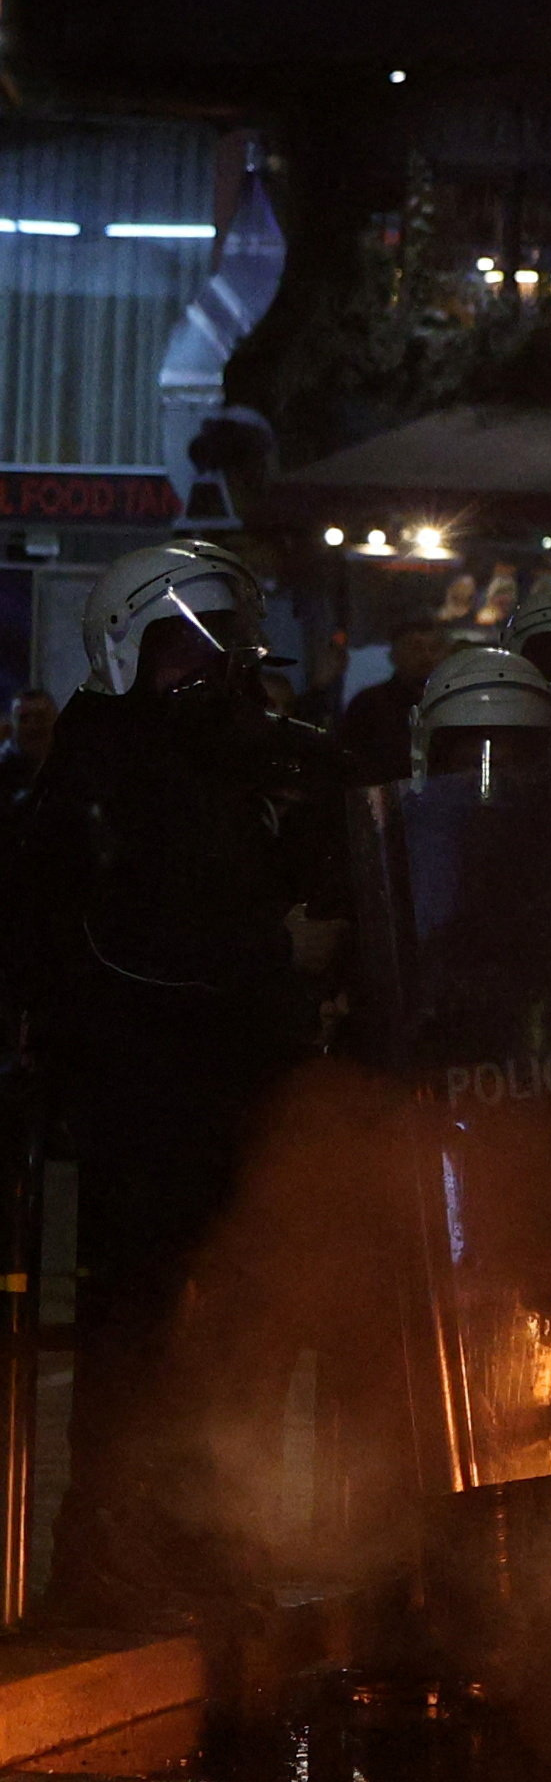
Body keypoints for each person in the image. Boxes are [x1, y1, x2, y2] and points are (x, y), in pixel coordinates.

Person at [1, 540, 355, 1623]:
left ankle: (208, 1536)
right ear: (126, 651)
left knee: (241, 1325)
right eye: (181, 646)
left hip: (251, 1086)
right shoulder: (103, 769)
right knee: (139, 1327)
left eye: (223, 641)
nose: (210, 666)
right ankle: (106, 1552)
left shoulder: (271, 760)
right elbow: (113, 937)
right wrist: (273, 951)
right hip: (141, 1097)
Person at [334, 621, 457, 789]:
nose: (427, 656)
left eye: (435, 648)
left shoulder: (458, 704)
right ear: (394, 655)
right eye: (415, 648)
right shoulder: (368, 706)